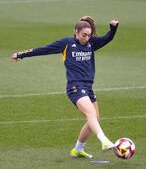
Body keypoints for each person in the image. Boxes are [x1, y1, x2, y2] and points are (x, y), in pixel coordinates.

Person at [11, 16, 119, 158]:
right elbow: (44, 49)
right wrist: (21, 54)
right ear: (76, 32)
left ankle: (78, 149)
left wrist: (113, 28)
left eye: (89, 35)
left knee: (95, 120)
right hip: (74, 87)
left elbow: (107, 38)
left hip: (88, 88)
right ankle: (104, 141)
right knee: (91, 114)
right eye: (83, 35)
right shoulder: (66, 43)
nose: (86, 38)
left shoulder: (91, 43)